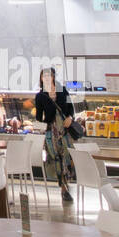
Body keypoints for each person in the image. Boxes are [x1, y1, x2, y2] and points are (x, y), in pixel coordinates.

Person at [34, 66, 76, 204]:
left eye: (49, 75)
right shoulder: (40, 96)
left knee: (67, 157)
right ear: (41, 78)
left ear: (53, 77)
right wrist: (39, 127)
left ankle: (67, 181)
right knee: (56, 159)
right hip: (51, 132)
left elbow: (71, 108)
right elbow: (39, 117)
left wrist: (70, 117)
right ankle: (63, 188)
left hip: (64, 130)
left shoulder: (62, 90)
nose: (46, 78)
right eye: (43, 76)